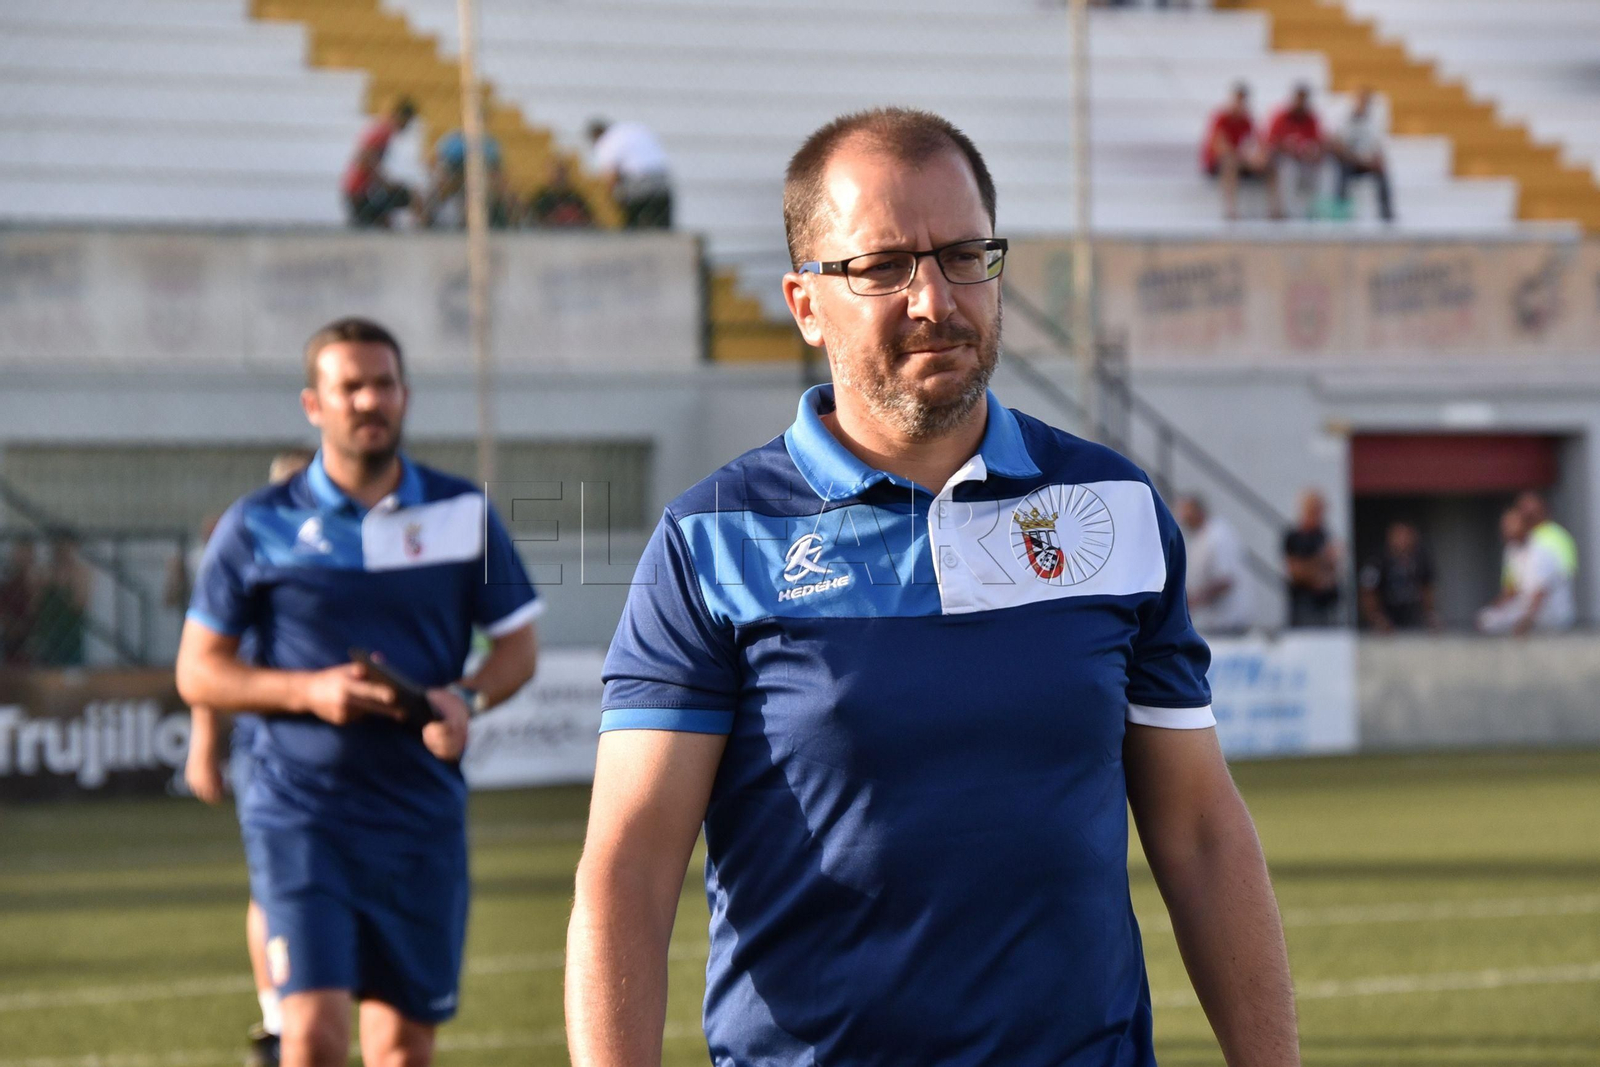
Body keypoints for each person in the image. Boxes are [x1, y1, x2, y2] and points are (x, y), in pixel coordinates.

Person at [567, 107, 1299, 1066]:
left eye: (963, 255)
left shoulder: (1110, 509)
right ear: (803, 302)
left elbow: (1201, 831)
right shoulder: (711, 540)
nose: (935, 299)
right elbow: (629, 872)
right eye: (882, 267)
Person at [175, 318, 541, 1067]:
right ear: (315, 403)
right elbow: (199, 670)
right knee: (310, 1039)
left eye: (383, 384)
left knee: (402, 1050)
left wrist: (463, 701)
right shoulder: (255, 524)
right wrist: (308, 691)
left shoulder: (464, 512)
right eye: (351, 386)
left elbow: (518, 649)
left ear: (404, 396)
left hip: (418, 818)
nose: (369, 400)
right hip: (301, 813)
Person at [184, 447, 315, 1067]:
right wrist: (204, 744)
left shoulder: (349, 560)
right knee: (273, 888)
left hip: (355, 762)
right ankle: (276, 1022)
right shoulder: (247, 554)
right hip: (269, 753)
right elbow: (210, 659)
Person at [1479, 504, 1576, 635]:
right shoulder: (1511, 550)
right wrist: (1496, 607)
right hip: (1525, 606)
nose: (1507, 530)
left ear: (1525, 525)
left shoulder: (1541, 551)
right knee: (1487, 618)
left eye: (1512, 525)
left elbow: (1540, 593)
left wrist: (1526, 621)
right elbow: (1511, 589)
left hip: (1549, 610)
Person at [1202, 81, 1281, 220]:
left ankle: (1275, 209)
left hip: (1242, 161)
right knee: (1229, 163)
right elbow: (1220, 148)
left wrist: (1259, 158)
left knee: (1271, 165)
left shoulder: (1247, 120)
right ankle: (1230, 210)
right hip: (1221, 163)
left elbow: (1259, 144)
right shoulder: (1221, 118)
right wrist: (1247, 158)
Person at [1176, 493, 1253, 635]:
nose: (1183, 518)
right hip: (1213, 622)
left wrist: (1194, 600)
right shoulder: (1200, 538)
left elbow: (1225, 580)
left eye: (1186, 512)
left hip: (1229, 623)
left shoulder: (1218, 535)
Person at [343, 99, 418, 228]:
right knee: (410, 195)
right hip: (359, 194)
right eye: (407, 121)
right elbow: (363, 159)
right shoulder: (383, 132)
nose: (407, 126)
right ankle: (421, 227)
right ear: (401, 116)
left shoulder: (381, 130)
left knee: (386, 218)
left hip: (357, 193)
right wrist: (385, 183)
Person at [420, 128, 516, 228]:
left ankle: (510, 222)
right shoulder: (454, 141)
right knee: (439, 184)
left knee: (503, 187)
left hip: (481, 177)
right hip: (456, 175)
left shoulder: (489, 143)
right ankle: (425, 220)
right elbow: (436, 162)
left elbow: (496, 169)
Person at [587, 117, 672, 228]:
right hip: (662, 181)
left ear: (595, 136)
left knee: (631, 225)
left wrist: (602, 202)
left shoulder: (606, 141)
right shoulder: (628, 130)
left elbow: (610, 177)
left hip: (638, 184)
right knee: (662, 226)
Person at [1358, 521, 1437, 632]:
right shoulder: (1377, 561)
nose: (1403, 540)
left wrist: (1430, 615)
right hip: (1385, 620)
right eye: (1399, 535)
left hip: (1412, 619)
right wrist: (1376, 618)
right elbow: (1367, 592)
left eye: (1407, 536)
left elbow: (1426, 589)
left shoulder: (1421, 561)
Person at [1331, 88, 1395, 222]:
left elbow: (1378, 147)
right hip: (1350, 162)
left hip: (1366, 163)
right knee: (1342, 173)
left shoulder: (1373, 123)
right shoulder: (1344, 121)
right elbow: (1339, 146)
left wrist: (1376, 161)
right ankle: (1340, 212)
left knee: (1382, 173)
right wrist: (1358, 160)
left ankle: (1386, 212)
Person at [1283, 488, 1341, 627]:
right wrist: (1320, 561)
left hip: (1326, 604)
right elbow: (1295, 571)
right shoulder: (1295, 537)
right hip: (1305, 605)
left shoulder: (1322, 535)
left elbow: (1333, 571)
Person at [1266, 84, 1325, 218]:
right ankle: (1284, 212)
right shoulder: (1281, 117)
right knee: (1288, 169)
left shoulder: (1311, 119)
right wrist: (1287, 148)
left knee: (1319, 169)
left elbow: (1319, 142)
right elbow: (1271, 141)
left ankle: (1312, 211)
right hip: (1284, 160)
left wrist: (1312, 152)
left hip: (1305, 160)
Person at [31, 536, 90, 667]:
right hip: (47, 634)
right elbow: (34, 605)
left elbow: (80, 604)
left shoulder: (81, 572)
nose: (62, 550)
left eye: (66, 546)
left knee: (72, 671)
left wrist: (64, 581)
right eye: (59, 546)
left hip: (71, 634)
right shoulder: (44, 571)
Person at [0, 537, 39, 666]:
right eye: (19, 551)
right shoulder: (8, 583)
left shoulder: (38, 579)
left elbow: (35, 611)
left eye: (27, 551)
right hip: (12, 642)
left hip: (32, 640)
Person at [526, 158, 595, 228]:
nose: (559, 175)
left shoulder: (575, 197)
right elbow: (534, 219)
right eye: (556, 172)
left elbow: (588, 219)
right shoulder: (541, 198)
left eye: (562, 172)